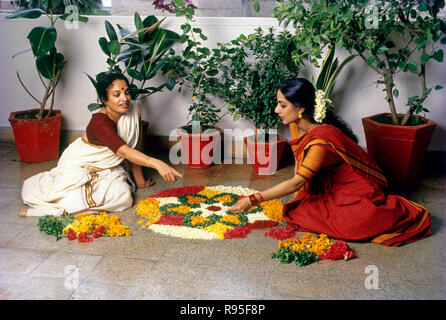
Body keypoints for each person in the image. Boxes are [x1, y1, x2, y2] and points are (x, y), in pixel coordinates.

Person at [230, 78, 431, 246]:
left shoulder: (321, 139)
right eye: (278, 103)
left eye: (283, 105)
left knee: (353, 224)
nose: (276, 110)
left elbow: (298, 182)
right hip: (328, 183)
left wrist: (254, 199)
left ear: (300, 109)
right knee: (299, 212)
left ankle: (392, 213)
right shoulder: (296, 127)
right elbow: (299, 177)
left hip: (353, 189)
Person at [19, 72, 183, 217]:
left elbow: (135, 145)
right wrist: (157, 163)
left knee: (123, 197)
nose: (124, 99)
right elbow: (124, 152)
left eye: (126, 93)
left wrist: (140, 181)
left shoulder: (132, 110)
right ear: (104, 100)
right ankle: (43, 211)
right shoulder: (99, 123)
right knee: (71, 198)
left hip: (106, 168)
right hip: (80, 165)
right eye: (116, 95)